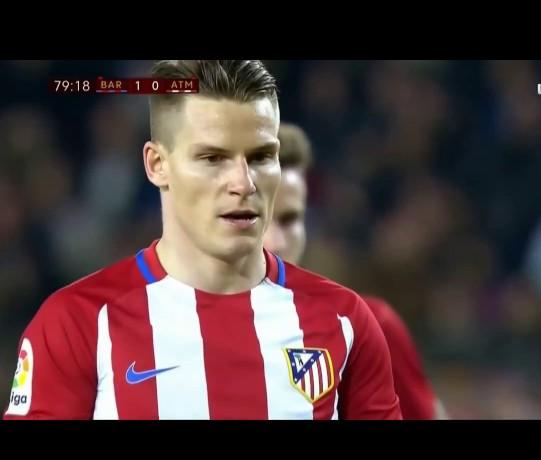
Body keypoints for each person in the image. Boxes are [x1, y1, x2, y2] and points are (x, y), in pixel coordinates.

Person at [4, 60, 401, 420]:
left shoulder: (344, 319)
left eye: (262, 157)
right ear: (158, 165)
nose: (243, 183)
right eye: (213, 158)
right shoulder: (78, 323)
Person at [264, 123, 447, 419]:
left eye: (288, 219)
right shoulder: (176, 328)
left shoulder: (371, 327)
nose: (275, 241)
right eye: (259, 218)